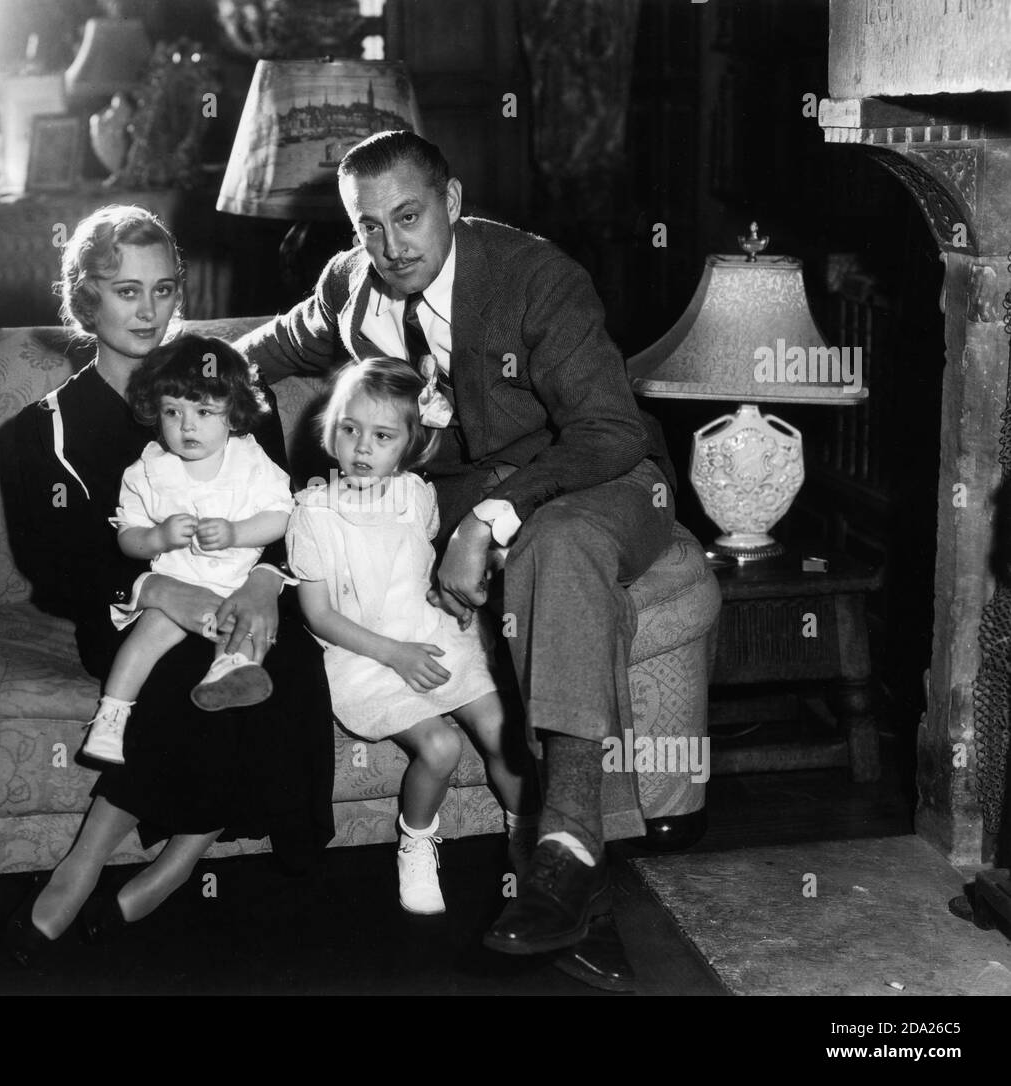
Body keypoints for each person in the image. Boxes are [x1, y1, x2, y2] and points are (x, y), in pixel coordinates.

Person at [238, 130, 676, 984]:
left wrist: (485, 521)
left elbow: (611, 429)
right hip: (464, 490)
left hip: (599, 473)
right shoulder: (349, 284)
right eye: (368, 227)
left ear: (452, 200)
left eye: (408, 218)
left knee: (561, 544)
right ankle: (570, 885)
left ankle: (566, 847)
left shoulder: (535, 277)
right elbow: (267, 348)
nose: (391, 246)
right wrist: (167, 362)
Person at [0, 204, 334, 965]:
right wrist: (152, 591)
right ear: (85, 298)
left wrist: (268, 581)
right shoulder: (38, 431)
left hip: (242, 591)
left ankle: (179, 859)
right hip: (128, 621)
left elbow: (287, 511)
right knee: (185, 671)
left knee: (285, 663)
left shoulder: (233, 391)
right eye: (124, 291)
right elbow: (54, 570)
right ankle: (89, 861)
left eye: (162, 289)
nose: (147, 311)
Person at [287, 357, 538, 914]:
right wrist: (394, 654)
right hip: (366, 655)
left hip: (431, 635)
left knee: (505, 734)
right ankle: (418, 841)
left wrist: (444, 596)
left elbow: (415, 566)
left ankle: (529, 841)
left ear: (410, 444)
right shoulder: (312, 513)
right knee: (442, 745)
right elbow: (319, 616)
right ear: (330, 428)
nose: (361, 447)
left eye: (382, 435)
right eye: (349, 429)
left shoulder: (417, 496)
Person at [81, 336, 293, 765]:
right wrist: (158, 538)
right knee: (148, 635)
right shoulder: (149, 470)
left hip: (236, 582)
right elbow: (128, 535)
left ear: (233, 414)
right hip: (175, 582)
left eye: (203, 412)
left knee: (243, 626)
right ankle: (111, 717)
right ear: (156, 414)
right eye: (172, 412)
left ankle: (226, 672)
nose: (187, 426)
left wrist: (236, 532)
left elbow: (282, 516)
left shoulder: (250, 460)